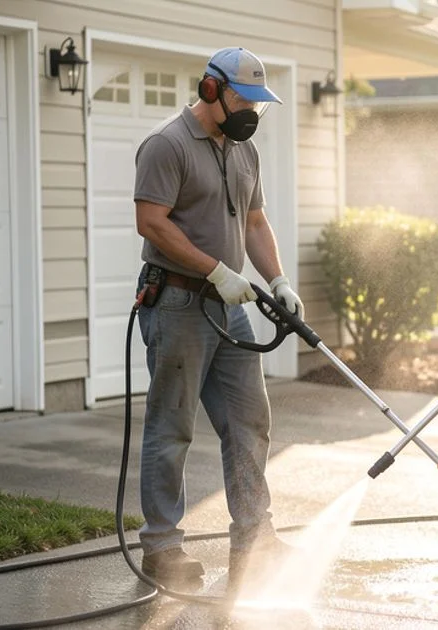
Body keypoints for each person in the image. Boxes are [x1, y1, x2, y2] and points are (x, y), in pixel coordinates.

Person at [131, 47, 304, 586]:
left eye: (261, 102)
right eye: (245, 98)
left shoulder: (243, 150)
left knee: (250, 421)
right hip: (178, 302)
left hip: (228, 308)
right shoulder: (167, 145)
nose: (254, 110)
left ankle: (255, 538)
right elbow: (152, 223)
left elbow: (255, 221)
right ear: (212, 90)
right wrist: (216, 272)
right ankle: (162, 547)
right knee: (172, 426)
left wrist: (277, 279)